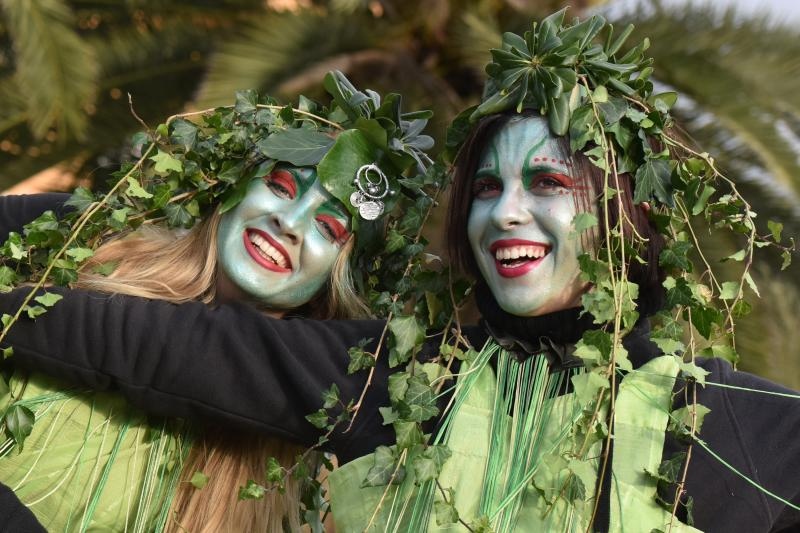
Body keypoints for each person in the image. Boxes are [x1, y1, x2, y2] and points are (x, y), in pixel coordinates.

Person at [2, 11, 800, 532]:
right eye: (485, 188)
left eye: (548, 182)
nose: (506, 212)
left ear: (629, 212)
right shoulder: (404, 380)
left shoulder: (721, 421)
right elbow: (170, 347)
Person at [0, 72, 435, 531]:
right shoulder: (88, 245)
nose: (288, 223)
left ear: (336, 281)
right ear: (231, 187)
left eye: (328, 228)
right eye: (281, 188)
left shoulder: (278, 470)